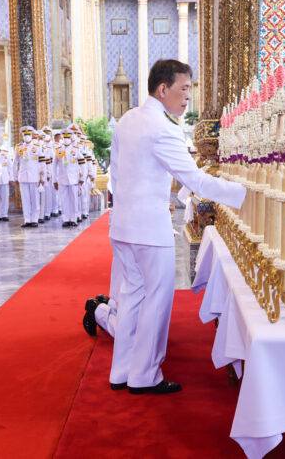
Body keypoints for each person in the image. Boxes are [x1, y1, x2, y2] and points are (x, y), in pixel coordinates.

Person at [101, 59, 246, 395]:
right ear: (162, 89)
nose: (187, 98)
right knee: (156, 300)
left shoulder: (127, 120)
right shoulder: (162, 128)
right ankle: (145, 375)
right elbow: (194, 179)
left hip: (121, 226)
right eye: (184, 89)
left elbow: (118, 177)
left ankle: (121, 371)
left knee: (131, 295)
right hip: (149, 231)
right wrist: (244, 193)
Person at [55, 130, 84, 227]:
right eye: (65, 138)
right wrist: (54, 180)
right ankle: (66, 219)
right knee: (64, 200)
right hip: (62, 178)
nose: (66, 140)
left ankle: (74, 218)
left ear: (71, 139)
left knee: (74, 199)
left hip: (73, 178)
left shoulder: (76, 149)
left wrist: (82, 177)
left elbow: (82, 163)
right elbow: (54, 166)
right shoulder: (58, 150)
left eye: (68, 138)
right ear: (63, 138)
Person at [15, 127, 41, 228]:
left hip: (34, 176)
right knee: (25, 199)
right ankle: (27, 220)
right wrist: (15, 176)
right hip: (23, 176)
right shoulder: (19, 147)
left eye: (28, 135)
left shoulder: (37, 147)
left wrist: (42, 176)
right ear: (22, 136)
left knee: (34, 198)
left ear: (31, 136)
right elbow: (15, 163)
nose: (26, 137)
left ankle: (35, 219)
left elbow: (42, 162)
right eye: (24, 135)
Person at [0, 137, 14, 222]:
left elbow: (10, 167)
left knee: (5, 197)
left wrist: (11, 178)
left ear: (0, 144)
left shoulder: (5, 153)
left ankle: (4, 214)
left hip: (5, 178)